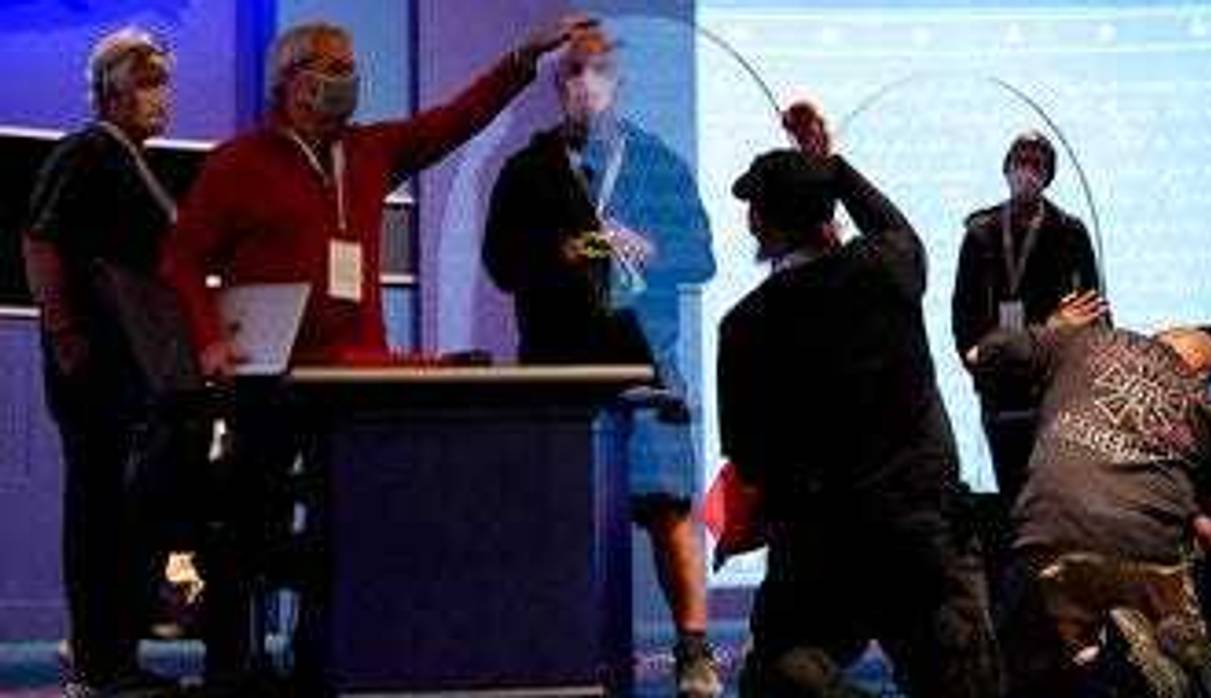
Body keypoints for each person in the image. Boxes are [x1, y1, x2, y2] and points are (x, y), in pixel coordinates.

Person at [161, 17, 589, 693]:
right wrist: (208, 339)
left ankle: (325, 658)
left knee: (352, 527)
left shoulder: (371, 150)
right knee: (248, 529)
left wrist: (522, 57)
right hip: (269, 376)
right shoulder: (237, 163)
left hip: (358, 378)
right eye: (335, 66)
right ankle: (231, 670)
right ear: (293, 82)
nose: (349, 80)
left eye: (351, 65)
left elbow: (457, 119)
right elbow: (182, 260)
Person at [718, 103, 1001, 698]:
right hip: (921, 533)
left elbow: (749, 455)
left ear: (759, 226)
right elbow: (891, 225)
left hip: (819, 543)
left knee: (782, 676)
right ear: (828, 215)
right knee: (961, 679)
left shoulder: (745, 326)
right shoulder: (889, 268)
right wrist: (834, 167)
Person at [481, 26, 720, 697]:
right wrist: (559, 255)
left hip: (646, 363)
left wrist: (648, 248)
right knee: (557, 514)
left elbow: (700, 258)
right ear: (557, 87)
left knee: (670, 507)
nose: (584, 85)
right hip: (558, 368)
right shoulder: (528, 170)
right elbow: (500, 265)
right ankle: (556, 644)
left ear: (618, 82)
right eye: (572, 74)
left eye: (596, 72)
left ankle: (693, 649)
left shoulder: (657, 163)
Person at [23, 27, 206, 697]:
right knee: (100, 511)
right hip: (95, 368)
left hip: (135, 370)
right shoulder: (87, 152)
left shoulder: (134, 161)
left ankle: (114, 654)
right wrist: (67, 333)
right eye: (148, 80)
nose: (162, 94)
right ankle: (102, 661)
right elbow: (42, 242)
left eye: (165, 80)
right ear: (110, 90)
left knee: (127, 513)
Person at [967, 303, 1211, 697]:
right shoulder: (1210, 410)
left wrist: (1052, 326)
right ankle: (1141, 657)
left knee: (1022, 655)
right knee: (1171, 627)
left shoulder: (1085, 341)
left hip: (1049, 533)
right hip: (1144, 553)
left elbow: (981, 355)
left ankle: (1090, 658)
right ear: (1203, 376)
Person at [952, 131, 1101, 507]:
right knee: (1012, 495)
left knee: (1053, 492)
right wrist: (974, 361)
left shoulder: (1069, 231)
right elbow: (962, 313)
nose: (1027, 170)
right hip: (1000, 380)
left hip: (1053, 381)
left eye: (1037, 163)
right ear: (1006, 168)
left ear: (1048, 174)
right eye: (1021, 160)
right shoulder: (980, 233)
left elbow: (1095, 309)